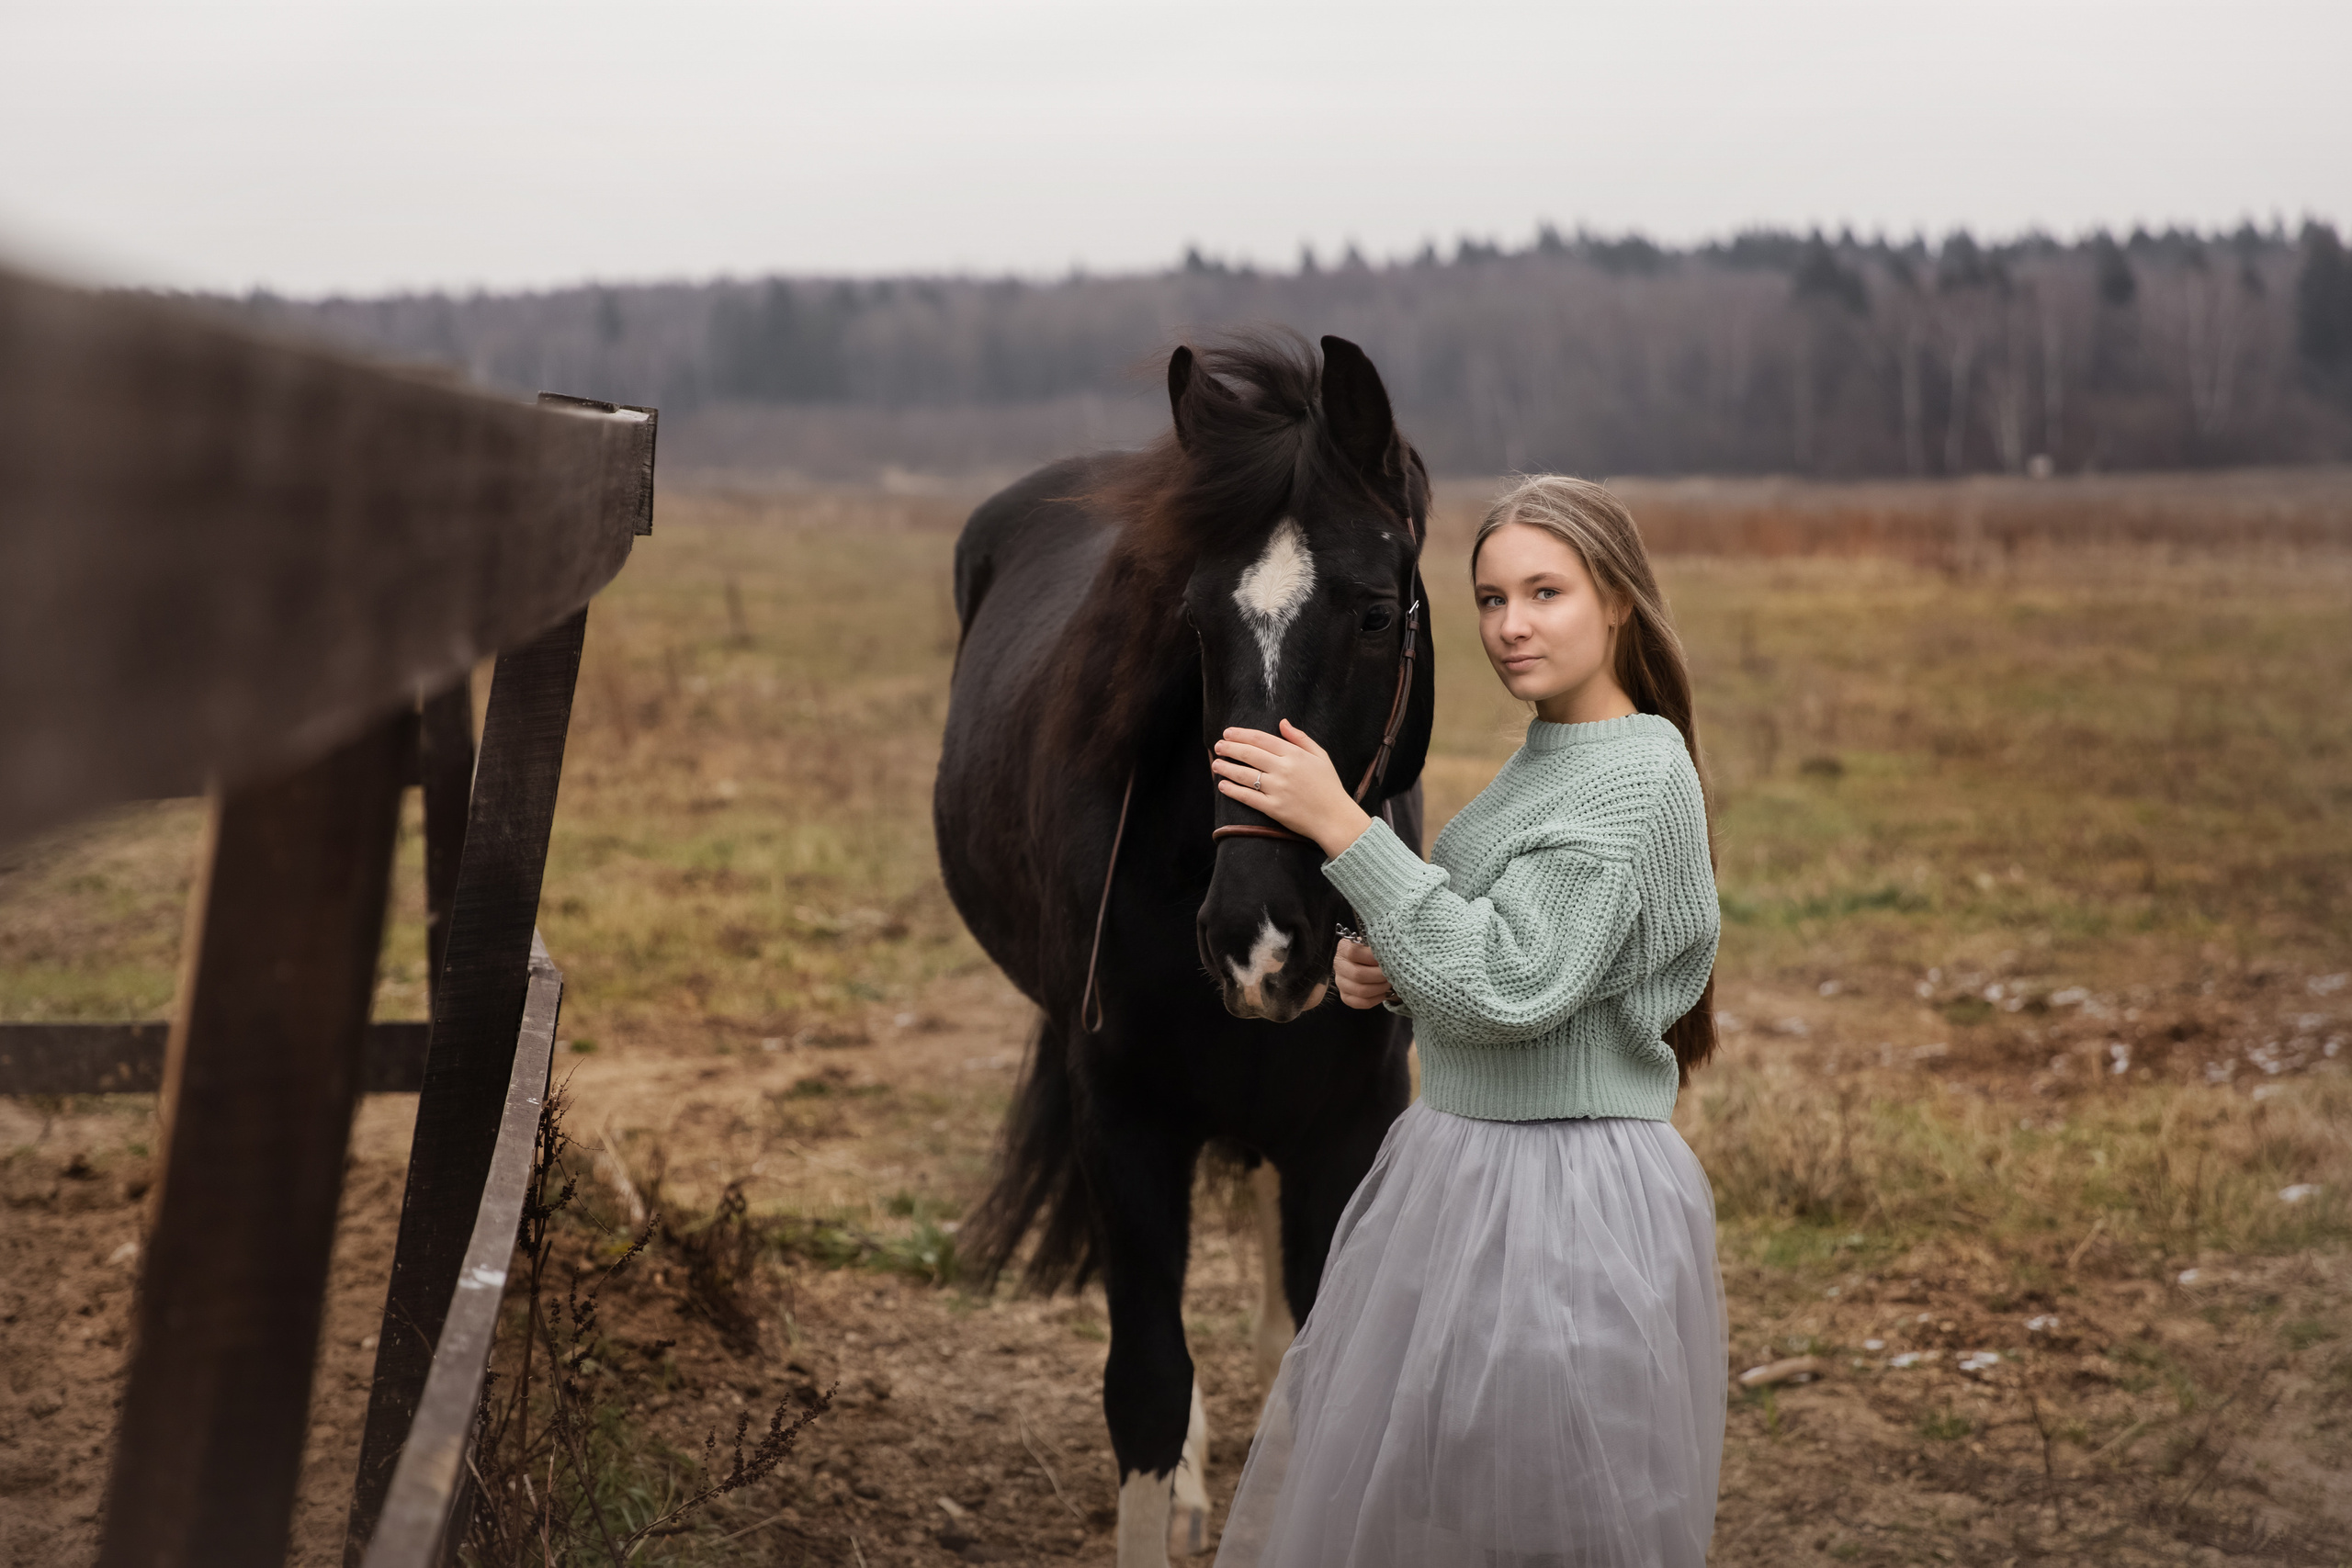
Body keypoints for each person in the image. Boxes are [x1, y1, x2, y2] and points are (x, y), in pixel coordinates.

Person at [1204, 475, 1726, 1567]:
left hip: (1562, 1192)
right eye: (1489, 599)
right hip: (1475, 1163)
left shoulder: (1631, 776)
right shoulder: (1555, 754)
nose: (1510, 626)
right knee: (1447, 1505)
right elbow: (1516, 947)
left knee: (1541, 1517)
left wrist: (1346, 827)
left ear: (1618, 599)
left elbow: (1512, 985)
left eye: (1546, 592)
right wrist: (1392, 967)